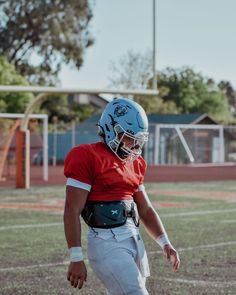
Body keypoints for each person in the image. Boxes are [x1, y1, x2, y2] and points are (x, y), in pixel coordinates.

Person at [63, 97, 180, 295]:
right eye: (130, 137)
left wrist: (165, 242)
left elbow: (145, 209)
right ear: (111, 129)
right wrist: (75, 256)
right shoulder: (86, 155)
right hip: (106, 241)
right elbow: (72, 209)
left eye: (138, 139)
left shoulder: (136, 162)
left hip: (134, 238)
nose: (135, 145)